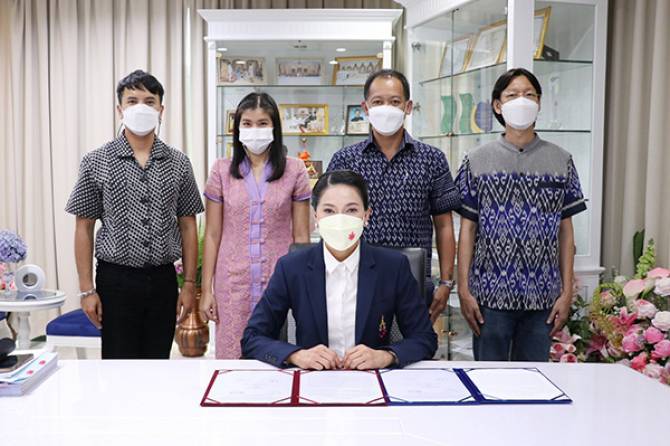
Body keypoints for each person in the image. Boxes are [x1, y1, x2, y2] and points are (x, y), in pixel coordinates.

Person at [65, 70, 204, 359]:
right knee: (118, 364)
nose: (141, 107)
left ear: (161, 109)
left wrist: (190, 284)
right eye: (132, 101)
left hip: (163, 280)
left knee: (157, 362)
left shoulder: (179, 163)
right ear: (120, 109)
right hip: (115, 280)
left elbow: (188, 225)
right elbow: (83, 227)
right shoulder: (96, 161)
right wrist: (86, 290)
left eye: (149, 101)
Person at [241, 170, 437, 369]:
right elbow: (252, 337)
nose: (340, 220)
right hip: (313, 378)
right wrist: (296, 355)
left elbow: (424, 338)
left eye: (351, 210)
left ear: (366, 215)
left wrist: (386, 356)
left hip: (370, 377)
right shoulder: (291, 268)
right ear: (316, 216)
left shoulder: (393, 267)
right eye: (329, 211)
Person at [455, 68, 587, 362]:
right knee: (489, 381)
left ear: (539, 103)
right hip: (490, 297)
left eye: (529, 95)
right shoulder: (476, 160)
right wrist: (464, 289)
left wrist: (566, 292)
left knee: (534, 380)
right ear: (497, 105)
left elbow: (566, 231)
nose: (522, 101)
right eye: (512, 95)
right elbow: (467, 230)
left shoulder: (561, 159)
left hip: (543, 298)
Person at [327, 69, 461, 323]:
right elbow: (332, 222)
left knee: (412, 345)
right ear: (365, 108)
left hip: (414, 281)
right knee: (357, 346)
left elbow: (444, 225)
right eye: (378, 102)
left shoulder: (432, 159)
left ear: (408, 107)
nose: (386, 108)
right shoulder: (344, 160)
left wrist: (446, 282)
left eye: (394, 101)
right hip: (355, 280)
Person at [200, 92, 311, 359]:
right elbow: (212, 235)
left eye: (262, 123)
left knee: (279, 359)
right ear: (237, 128)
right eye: (247, 123)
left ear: (274, 127)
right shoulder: (221, 171)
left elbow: (301, 237)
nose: (255, 130)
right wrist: (206, 291)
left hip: (279, 282)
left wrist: (305, 291)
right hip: (232, 284)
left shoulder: (295, 170)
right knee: (233, 361)